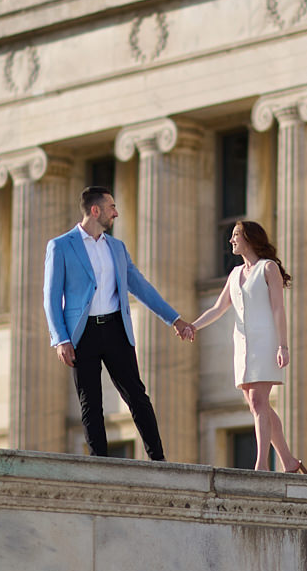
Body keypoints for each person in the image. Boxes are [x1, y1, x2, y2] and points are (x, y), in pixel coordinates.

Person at [43, 185, 194, 460]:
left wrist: (174, 319)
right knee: (91, 403)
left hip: (115, 329)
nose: (117, 213)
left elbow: (140, 286)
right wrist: (60, 339)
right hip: (81, 333)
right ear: (95, 210)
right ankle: (100, 462)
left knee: (137, 395)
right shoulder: (61, 246)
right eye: (112, 207)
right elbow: (51, 298)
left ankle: (158, 458)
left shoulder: (117, 247)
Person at [191, 220, 307, 473]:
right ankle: (288, 461)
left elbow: (278, 308)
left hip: (266, 342)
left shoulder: (268, 268)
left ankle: (262, 464)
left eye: (236, 235)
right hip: (243, 344)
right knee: (259, 404)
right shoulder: (234, 274)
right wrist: (193, 326)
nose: (231, 240)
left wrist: (283, 346)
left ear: (249, 239)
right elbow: (218, 308)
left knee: (257, 402)